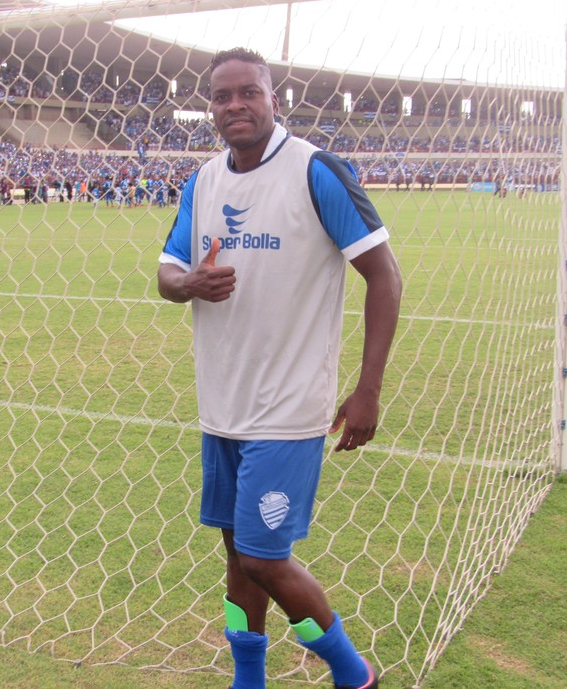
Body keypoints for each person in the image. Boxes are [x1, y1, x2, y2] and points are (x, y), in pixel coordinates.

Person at [157, 48, 401, 689]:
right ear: (210, 106)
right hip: (223, 403)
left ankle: (353, 674)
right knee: (238, 554)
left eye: (248, 92)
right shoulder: (203, 181)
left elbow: (384, 275)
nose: (235, 105)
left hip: (289, 407)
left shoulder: (317, 170)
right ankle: (249, 679)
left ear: (273, 98)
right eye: (222, 96)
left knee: (264, 557)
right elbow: (168, 269)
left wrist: (367, 388)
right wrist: (189, 286)